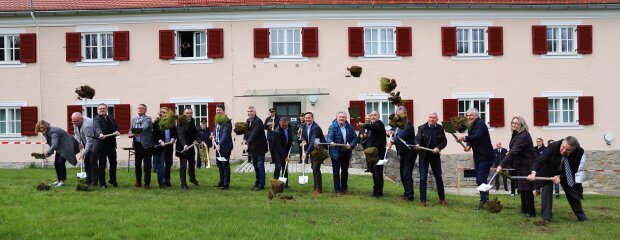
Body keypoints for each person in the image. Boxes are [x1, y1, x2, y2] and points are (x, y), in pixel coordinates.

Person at [529, 136, 589, 222]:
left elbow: (573, 169)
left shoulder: (579, 151)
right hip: (549, 172)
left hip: (565, 173)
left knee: (573, 194)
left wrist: (560, 177)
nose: (564, 151)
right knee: (547, 191)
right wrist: (533, 172)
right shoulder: (552, 146)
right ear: (562, 143)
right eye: (563, 147)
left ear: (574, 149)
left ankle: (581, 216)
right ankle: (546, 218)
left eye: (568, 150)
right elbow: (539, 160)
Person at [496, 116, 537, 217]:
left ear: (521, 125)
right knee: (522, 188)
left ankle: (531, 212)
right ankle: (524, 209)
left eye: (516, 123)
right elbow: (514, 149)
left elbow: (514, 151)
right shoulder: (516, 134)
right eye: (512, 123)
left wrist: (501, 165)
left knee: (526, 189)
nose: (513, 125)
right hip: (520, 164)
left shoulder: (524, 135)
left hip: (528, 164)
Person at [457, 108, 494, 210]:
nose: (469, 117)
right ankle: (485, 200)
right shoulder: (471, 126)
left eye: (471, 115)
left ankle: (483, 201)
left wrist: (464, 138)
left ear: (476, 116)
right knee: (480, 180)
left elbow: (477, 136)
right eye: (467, 116)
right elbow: (471, 137)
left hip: (486, 156)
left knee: (481, 179)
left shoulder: (481, 125)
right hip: (478, 156)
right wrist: (468, 146)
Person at [415, 111, 448, 207]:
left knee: (438, 177)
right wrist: (417, 144)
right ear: (427, 118)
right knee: (423, 178)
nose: (431, 119)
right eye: (430, 117)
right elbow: (417, 138)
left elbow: (444, 142)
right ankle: (423, 201)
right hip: (424, 157)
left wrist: (438, 148)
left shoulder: (440, 128)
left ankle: (442, 199)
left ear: (437, 120)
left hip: (435, 157)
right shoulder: (422, 128)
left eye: (433, 118)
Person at [386, 106, 417, 202]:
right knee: (402, 173)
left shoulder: (408, 124)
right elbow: (393, 131)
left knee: (406, 173)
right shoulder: (397, 125)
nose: (398, 116)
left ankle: (409, 196)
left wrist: (391, 142)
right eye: (397, 114)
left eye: (400, 115)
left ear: (405, 114)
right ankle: (406, 193)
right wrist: (389, 132)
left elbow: (400, 135)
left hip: (409, 152)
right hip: (401, 152)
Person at [36, 120, 79, 187]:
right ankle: (59, 180)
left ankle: (62, 181)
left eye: (41, 128)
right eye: (39, 129)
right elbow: (51, 143)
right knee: (56, 163)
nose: (41, 130)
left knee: (60, 162)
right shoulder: (45, 132)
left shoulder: (53, 131)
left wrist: (47, 152)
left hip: (68, 145)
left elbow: (55, 144)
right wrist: (49, 153)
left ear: (45, 127)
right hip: (61, 147)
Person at [327, 112, 358, 196]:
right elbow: (329, 137)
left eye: (343, 117)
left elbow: (355, 138)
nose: (341, 119)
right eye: (340, 117)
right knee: (336, 172)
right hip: (335, 153)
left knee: (345, 171)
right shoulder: (332, 127)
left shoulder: (349, 127)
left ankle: (344, 189)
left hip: (346, 152)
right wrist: (331, 142)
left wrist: (351, 145)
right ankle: (337, 190)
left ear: (345, 118)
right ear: (336, 118)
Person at [93, 103, 120, 188]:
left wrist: (117, 131)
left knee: (113, 163)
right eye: (100, 109)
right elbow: (97, 127)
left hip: (111, 145)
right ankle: (102, 183)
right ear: (97, 110)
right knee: (102, 165)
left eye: (104, 108)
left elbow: (116, 127)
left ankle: (113, 180)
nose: (102, 110)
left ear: (107, 109)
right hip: (102, 146)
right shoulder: (96, 119)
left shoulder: (111, 118)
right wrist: (100, 134)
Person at [361, 111, 387, 198]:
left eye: (375, 115)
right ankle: (375, 190)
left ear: (378, 117)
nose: (372, 117)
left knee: (378, 173)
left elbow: (372, 127)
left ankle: (379, 192)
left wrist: (363, 125)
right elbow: (370, 139)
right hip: (372, 153)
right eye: (371, 115)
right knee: (374, 172)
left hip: (379, 154)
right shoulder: (372, 127)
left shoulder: (379, 124)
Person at [128, 104, 154, 189]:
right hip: (137, 145)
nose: (140, 109)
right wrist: (129, 134)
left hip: (146, 145)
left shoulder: (148, 119)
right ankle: (138, 182)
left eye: (142, 108)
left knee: (147, 165)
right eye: (138, 108)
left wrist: (133, 133)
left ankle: (147, 184)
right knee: (137, 164)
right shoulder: (134, 119)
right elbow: (130, 129)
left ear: (145, 110)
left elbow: (143, 128)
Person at [301, 112, 326, 195]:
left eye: (309, 118)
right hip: (312, 150)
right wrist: (303, 140)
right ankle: (315, 185)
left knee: (316, 168)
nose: (307, 119)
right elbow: (303, 136)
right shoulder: (304, 126)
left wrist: (306, 152)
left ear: (312, 118)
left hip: (319, 150)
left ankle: (318, 188)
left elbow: (312, 142)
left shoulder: (316, 128)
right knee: (313, 167)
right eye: (306, 118)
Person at [244, 106, 268, 191]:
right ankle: (257, 181)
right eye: (248, 111)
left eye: (251, 111)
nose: (249, 113)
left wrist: (247, 142)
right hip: (252, 147)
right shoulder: (247, 121)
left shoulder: (258, 121)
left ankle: (261, 184)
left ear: (255, 112)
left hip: (260, 147)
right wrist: (244, 140)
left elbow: (254, 133)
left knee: (260, 165)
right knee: (255, 165)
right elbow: (246, 132)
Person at [176, 108, 200, 190]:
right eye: (187, 113)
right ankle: (183, 184)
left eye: (190, 113)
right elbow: (181, 135)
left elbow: (195, 132)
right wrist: (184, 144)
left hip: (190, 146)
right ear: (184, 113)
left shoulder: (192, 121)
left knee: (192, 163)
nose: (189, 114)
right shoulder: (180, 122)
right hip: (182, 147)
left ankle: (192, 179)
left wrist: (195, 139)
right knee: (183, 166)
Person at [153, 107, 177, 188]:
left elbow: (174, 133)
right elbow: (155, 135)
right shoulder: (156, 123)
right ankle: (161, 183)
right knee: (161, 165)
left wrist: (173, 139)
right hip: (161, 147)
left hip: (169, 146)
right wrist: (160, 141)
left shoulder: (171, 123)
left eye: (164, 112)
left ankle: (167, 180)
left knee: (169, 163)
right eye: (161, 112)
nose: (162, 114)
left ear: (168, 114)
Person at [213, 104, 233, 190]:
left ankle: (226, 184)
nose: (218, 111)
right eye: (217, 110)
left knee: (225, 165)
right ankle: (221, 182)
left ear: (223, 111)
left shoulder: (227, 121)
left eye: (219, 110)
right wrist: (213, 135)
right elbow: (216, 132)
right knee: (219, 164)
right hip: (218, 146)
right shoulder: (217, 120)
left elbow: (225, 134)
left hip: (224, 147)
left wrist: (219, 144)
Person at [71, 112, 94, 185]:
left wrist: (83, 153)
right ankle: (88, 179)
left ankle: (94, 180)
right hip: (85, 141)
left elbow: (89, 142)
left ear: (81, 119)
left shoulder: (87, 125)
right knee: (87, 161)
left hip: (94, 143)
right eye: (73, 121)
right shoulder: (75, 122)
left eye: (76, 122)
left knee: (92, 162)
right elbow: (76, 133)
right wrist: (78, 143)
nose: (74, 123)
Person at [272, 117, 294, 188]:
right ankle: (276, 185)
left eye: (286, 125)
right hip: (277, 151)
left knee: (285, 168)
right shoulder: (277, 132)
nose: (284, 127)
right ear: (279, 123)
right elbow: (279, 146)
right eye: (283, 126)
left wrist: (291, 141)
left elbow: (290, 135)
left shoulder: (289, 126)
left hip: (286, 149)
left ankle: (285, 185)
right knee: (278, 167)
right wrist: (285, 156)